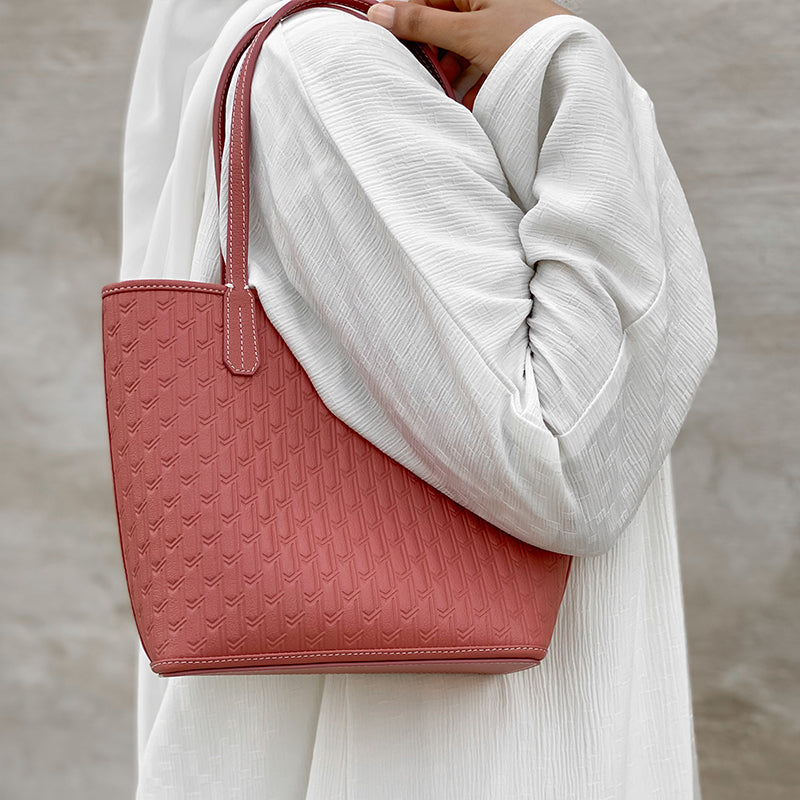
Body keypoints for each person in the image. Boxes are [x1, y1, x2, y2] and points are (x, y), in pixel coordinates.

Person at [120, 0, 718, 797]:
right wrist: (567, 69)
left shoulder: (378, 65)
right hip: (463, 755)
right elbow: (567, 460)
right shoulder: (331, 67)